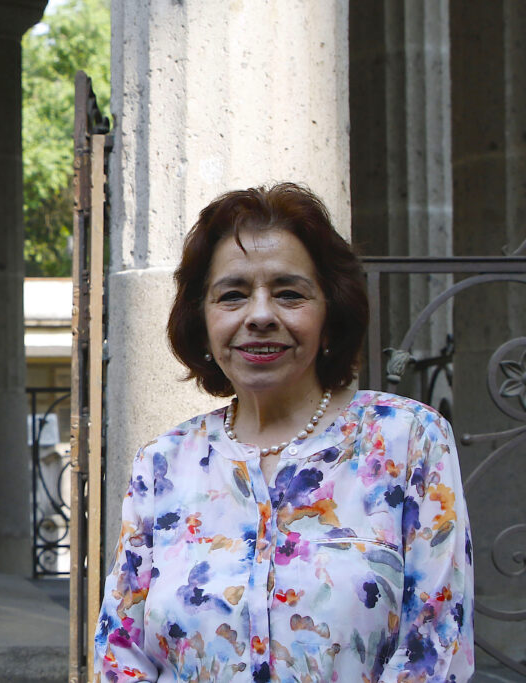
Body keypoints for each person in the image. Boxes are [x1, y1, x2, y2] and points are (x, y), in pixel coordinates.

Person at [94, 183, 474, 682]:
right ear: (202, 321)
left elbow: (436, 645)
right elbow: (120, 653)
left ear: (330, 315)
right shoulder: (162, 464)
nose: (259, 316)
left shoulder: (410, 441)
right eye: (232, 295)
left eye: (289, 293)